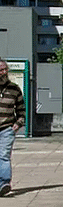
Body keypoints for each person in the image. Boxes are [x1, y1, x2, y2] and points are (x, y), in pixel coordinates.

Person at [0, 59, 25, 197]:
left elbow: (21, 109)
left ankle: (4, 183)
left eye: (5, 69)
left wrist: (18, 124)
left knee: (3, 156)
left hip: (7, 128)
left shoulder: (14, 89)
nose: (4, 73)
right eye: (0, 70)